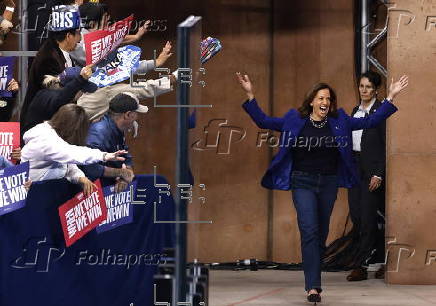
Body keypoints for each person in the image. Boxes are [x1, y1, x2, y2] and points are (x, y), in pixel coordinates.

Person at [236, 72, 408, 304]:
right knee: (309, 230)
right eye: (320, 98)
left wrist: (390, 97)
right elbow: (264, 121)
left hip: (328, 183)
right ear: (311, 101)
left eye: (328, 99)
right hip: (302, 181)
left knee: (320, 235)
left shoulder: (341, 121)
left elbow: (370, 121)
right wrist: (250, 94)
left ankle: (314, 275)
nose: (325, 102)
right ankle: (313, 287)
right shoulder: (294, 119)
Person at [21, 104, 127, 196]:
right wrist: (103, 156)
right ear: (74, 128)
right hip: (31, 194)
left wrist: (81, 178)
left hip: (42, 192)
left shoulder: (54, 136)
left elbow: (66, 164)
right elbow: (71, 153)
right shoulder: (46, 139)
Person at [346, 71, 387, 281]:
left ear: (376, 90)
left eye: (368, 87)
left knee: (370, 218)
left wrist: (378, 174)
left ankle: (362, 266)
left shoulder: (380, 112)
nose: (364, 90)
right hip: (354, 170)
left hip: (372, 172)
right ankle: (375, 261)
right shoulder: (355, 111)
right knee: (357, 216)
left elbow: (386, 146)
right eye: (361, 86)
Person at [20, 4, 82, 127]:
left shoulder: (62, 51)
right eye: (78, 34)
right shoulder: (48, 58)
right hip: (38, 127)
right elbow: (57, 97)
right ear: (69, 36)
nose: (80, 39)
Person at [79, 93, 149, 192]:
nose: (137, 117)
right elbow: (89, 168)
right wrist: (120, 173)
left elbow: (126, 156)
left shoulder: (117, 128)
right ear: (128, 115)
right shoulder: (99, 132)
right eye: (136, 113)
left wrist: (124, 177)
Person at [21, 64, 95, 136]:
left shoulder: (45, 93)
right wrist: (80, 80)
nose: (84, 93)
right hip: (34, 144)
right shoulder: (50, 98)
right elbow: (60, 99)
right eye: (83, 91)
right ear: (74, 90)